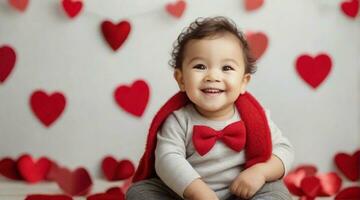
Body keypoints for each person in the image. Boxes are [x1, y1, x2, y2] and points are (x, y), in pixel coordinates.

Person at [126, 16, 294, 200]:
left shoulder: (255, 116)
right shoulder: (178, 119)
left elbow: (283, 149)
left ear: (243, 82)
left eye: (227, 68)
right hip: (187, 194)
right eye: (200, 66)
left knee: (276, 192)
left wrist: (260, 172)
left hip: (241, 192)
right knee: (139, 192)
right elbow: (167, 159)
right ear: (181, 79)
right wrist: (198, 192)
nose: (213, 76)